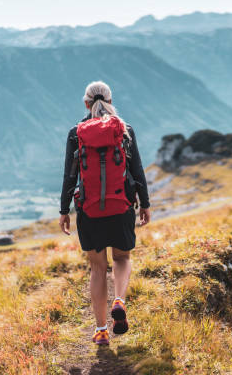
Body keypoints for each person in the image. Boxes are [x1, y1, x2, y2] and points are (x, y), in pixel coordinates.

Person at [59, 81, 151, 346]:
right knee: (122, 257)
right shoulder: (125, 130)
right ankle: (119, 301)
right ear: (111, 101)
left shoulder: (76, 132)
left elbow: (69, 176)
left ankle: (101, 330)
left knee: (97, 267)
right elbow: (137, 171)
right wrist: (144, 204)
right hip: (121, 206)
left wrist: (64, 210)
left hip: (88, 210)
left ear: (86, 103)